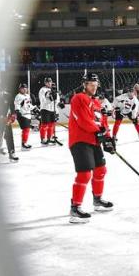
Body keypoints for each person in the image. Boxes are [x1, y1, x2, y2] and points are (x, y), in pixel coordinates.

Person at [66, 73, 115, 224]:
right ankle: (75, 208)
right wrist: (98, 131)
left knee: (101, 170)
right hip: (80, 141)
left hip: (94, 141)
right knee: (85, 174)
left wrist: (107, 137)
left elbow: (103, 122)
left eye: (95, 85)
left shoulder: (97, 104)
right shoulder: (78, 98)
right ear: (84, 85)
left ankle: (98, 200)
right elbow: (83, 120)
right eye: (90, 85)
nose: (93, 88)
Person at [0, 87, 19, 162]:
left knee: (9, 136)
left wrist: (13, 115)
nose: (0, 93)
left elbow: (12, 107)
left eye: (1, 91)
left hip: (6, 120)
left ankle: (12, 153)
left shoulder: (8, 96)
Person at [38, 77, 63, 146]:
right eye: (47, 82)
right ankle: (43, 139)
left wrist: (59, 103)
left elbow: (57, 99)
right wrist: (50, 99)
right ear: (45, 83)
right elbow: (42, 100)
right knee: (44, 125)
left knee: (51, 125)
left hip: (53, 109)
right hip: (45, 109)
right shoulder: (42, 90)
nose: (49, 83)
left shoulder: (54, 90)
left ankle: (49, 137)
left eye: (50, 82)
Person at [14, 82, 34, 150]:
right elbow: (17, 104)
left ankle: (24, 142)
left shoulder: (27, 96)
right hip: (22, 115)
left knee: (27, 130)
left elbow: (28, 105)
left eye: (25, 88)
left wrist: (34, 108)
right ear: (20, 89)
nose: (24, 89)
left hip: (27, 115)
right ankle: (23, 144)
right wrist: (17, 110)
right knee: (26, 129)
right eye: (23, 88)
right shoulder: (18, 96)